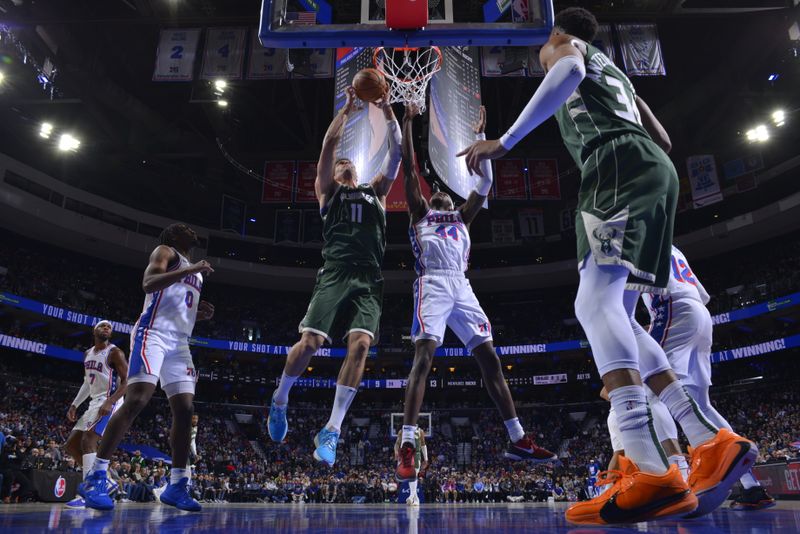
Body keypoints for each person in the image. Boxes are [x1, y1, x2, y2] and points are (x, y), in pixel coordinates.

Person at [457, 7, 757, 524]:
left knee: (593, 302)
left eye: (543, 47)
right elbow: (662, 140)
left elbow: (568, 70)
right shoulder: (614, 71)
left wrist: (502, 143)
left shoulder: (566, 51)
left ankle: (650, 466)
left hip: (614, 164)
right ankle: (710, 438)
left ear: (557, 33)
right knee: (619, 310)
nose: (542, 54)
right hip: (649, 167)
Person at [396, 103, 556, 486]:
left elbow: (483, 185)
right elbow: (409, 167)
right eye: (434, 194)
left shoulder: (464, 216)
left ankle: (518, 439)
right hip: (432, 283)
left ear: (453, 202)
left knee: (490, 359)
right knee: (424, 357)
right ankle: (404, 442)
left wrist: (481, 140)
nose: (438, 196)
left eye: (445, 196)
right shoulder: (420, 214)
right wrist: (407, 121)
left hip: (462, 285)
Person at [267, 85, 402, 467]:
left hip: (369, 278)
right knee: (309, 342)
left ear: (357, 170)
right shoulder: (328, 192)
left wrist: (389, 111)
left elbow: (397, 155)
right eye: (339, 163)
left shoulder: (376, 190)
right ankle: (280, 400)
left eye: (348, 163)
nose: (342, 163)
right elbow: (328, 145)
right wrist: (346, 111)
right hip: (336, 272)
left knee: (360, 346)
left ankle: (332, 429)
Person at [80, 223, 215, 512]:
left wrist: (197, 314)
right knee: (138, 399)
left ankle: (177, 485)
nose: (191, 230)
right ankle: (96, 476)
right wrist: (191, 271)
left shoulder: (194, 270)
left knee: (185, 410)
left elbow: (175, 304)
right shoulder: (165, 251)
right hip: (152, 334)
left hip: (180, 343)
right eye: (184, 228)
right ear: (173, 236)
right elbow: (149, 283)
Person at [640, 246, 775, 511]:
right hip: (698, 315)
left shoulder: (628, 231)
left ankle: (677, 482)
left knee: (646, 392)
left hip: (671, 311)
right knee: (701, 405)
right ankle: (752, 486)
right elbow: (701, 294)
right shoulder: (670, 243)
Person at [63, 320, 128, 508]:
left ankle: (89, 494)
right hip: (94, 402)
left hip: (110, 401)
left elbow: (127, 381)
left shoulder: (115, 352)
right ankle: (105, 481)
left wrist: (111, 401)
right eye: (103, 326)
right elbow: (86, 382)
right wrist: (75, 404)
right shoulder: (88, 353)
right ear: (95, 330)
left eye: (109, 327)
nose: (107, 328)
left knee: (88, 441)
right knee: (71, 446)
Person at [394, 426, 428, 506]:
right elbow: (397, 443)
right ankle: (416, 499)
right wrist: (396, 452)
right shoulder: (402, 430)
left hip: (416, 454)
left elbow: (423, 445)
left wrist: (426, 459)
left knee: (414, 475)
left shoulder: (420, 431)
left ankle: (411, 496)